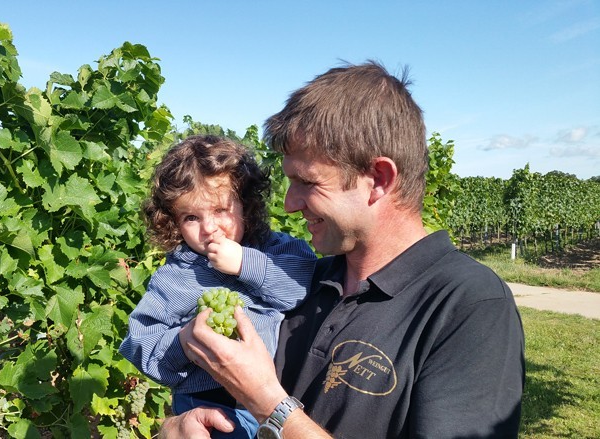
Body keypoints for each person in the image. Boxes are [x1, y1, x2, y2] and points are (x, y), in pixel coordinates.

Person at [162, 61, 526, 438]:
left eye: (306, 181)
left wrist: (267, 401)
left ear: (379, 179)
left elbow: (265, 404)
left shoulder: (468, 306)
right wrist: (176, 425)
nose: (288, 203)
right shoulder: (306, 280)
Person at [119, 135, 317, 438]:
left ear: (246, 206)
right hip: (207, 407)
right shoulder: (173, 277)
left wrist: (243, 263)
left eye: (220, 210)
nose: (209, 227)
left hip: (276, 397)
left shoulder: (275, 251)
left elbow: (300, 286)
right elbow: (140, 343)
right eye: (191, 217)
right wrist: (184, 341)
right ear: (172, 221)